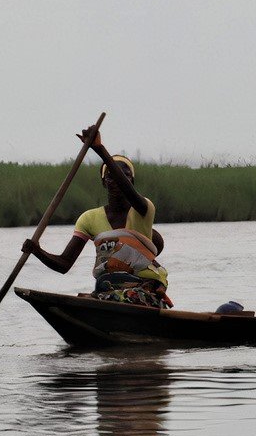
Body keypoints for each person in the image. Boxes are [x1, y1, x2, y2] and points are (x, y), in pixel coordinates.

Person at [22, 124, 171, 307]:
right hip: (107, 292)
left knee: (126, 296)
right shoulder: (89, 219)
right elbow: (63, 264)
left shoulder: (144, 208)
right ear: (103, 182)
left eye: (123, 177)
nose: (116, 181)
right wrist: (38, 251)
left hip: (143, 291)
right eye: (110, 177)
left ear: (131, 182)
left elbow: (128, 190)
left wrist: (99, 149)